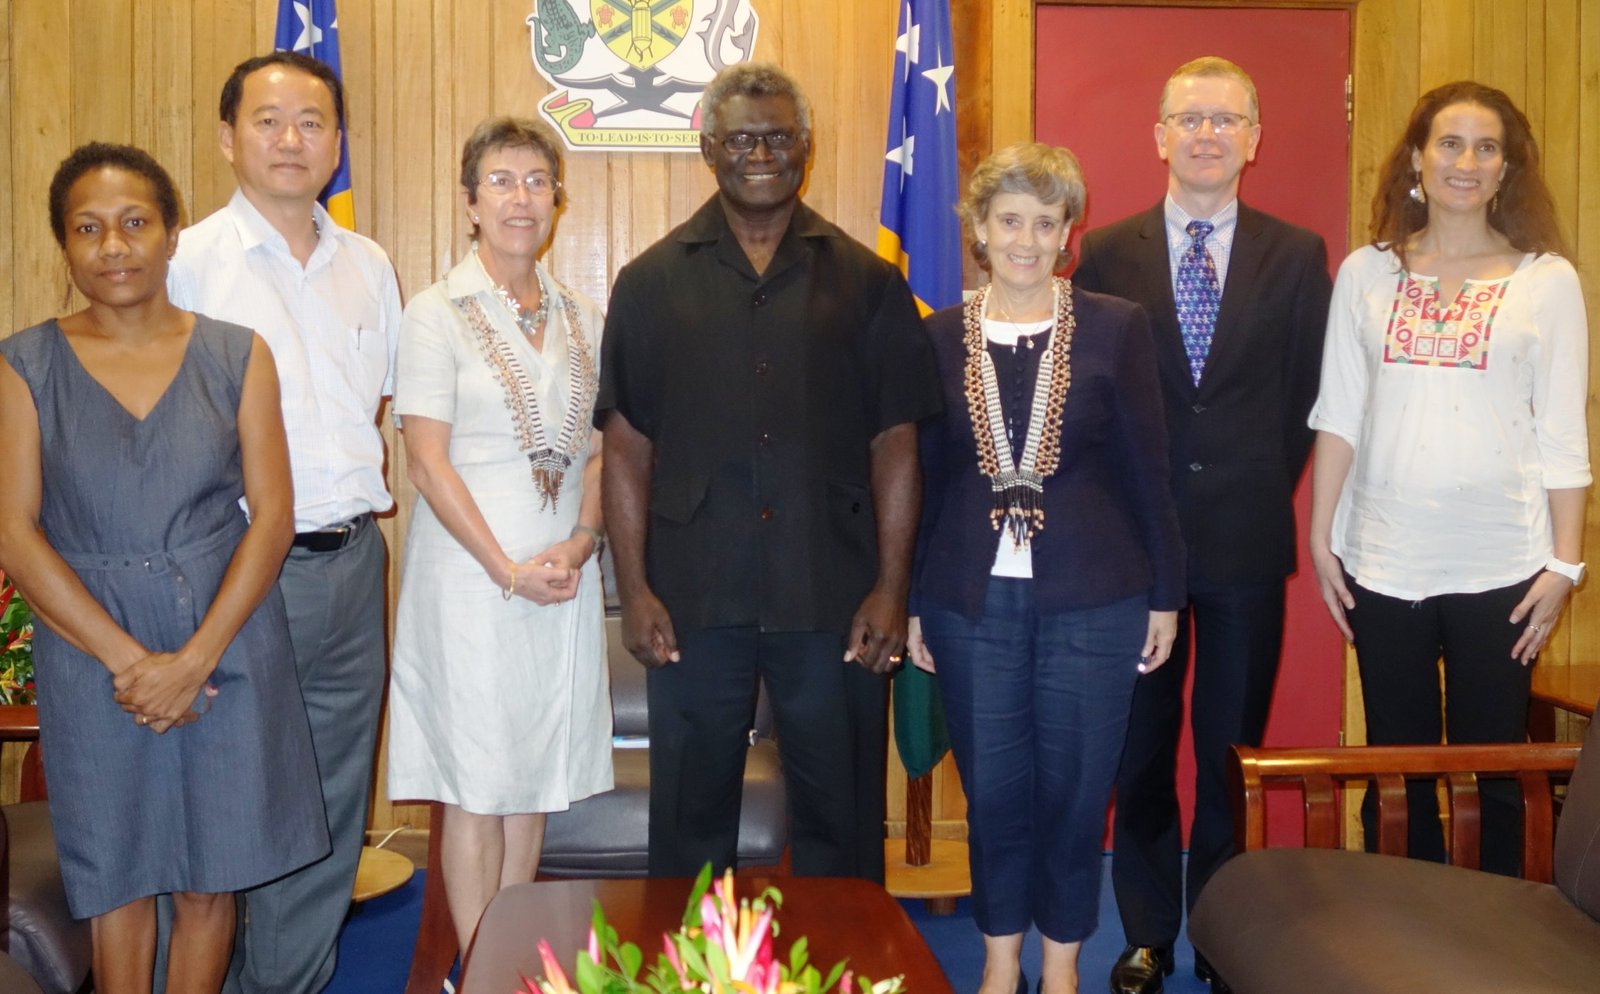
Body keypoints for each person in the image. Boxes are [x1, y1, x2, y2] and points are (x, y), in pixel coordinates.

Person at [598, 62, 940, 882]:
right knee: (690, 821)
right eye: (743, 137)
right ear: (709, 148)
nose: (762, 153)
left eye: (779, 137)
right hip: (693, 597)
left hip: (833, 595)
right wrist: (636, 588)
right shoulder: (649, 284)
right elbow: (626, 446)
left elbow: (897, 443)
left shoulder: (868, 282)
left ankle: (843, 969)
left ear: (806, 148)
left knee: (842, 819)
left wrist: (893, 590)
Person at [0, 143, 327, 994]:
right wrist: (130, 664)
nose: (115, 245)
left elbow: (274, 517)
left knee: (209, 879)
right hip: (89, 648)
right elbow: (14, 532)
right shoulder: (22, 364)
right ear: (64, 247)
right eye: (89, 228)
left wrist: (192, 661)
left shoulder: (236, 353)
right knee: (120, 879)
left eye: (136, 222)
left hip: (225, 641)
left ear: (173, 236)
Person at [1071, 56, 1332, 994]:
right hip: (1135, 555)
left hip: (1242, 549)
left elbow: (1308, 394)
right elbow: (1093, 402)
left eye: (1228, 119)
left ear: (1254, 140)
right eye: (1191, 118)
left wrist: (1256, 486)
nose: (1209, 134)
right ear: (1160, 135)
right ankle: (1145, 932)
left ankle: (1221, 934)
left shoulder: (1299, 255)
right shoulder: (1103, 251)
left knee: (1229, 754)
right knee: (1139, 754)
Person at [907, 142, 1184, 994]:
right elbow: (920, 477)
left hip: (1096, 597)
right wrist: (916, 601)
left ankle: (1061, 966)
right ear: (979, 232)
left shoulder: (1115, 325)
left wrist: (1166, 596)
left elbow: (1149, 466)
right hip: (968, 600)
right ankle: (999, 964)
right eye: (1009, 221)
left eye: (1046, 221)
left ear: (1070, 232)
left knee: (1075, 791)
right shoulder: (937, 336)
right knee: (994, 792)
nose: (1026, 239)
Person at [1309, 81, 1588, 877]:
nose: (1467, 162)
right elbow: (1340, 412)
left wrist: (1564, 566)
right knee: (1394, 773)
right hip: (1383, 560)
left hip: (1505, 567)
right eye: (1450, 143)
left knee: (1498, 776)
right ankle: (1397, 935)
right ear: (1417, 160)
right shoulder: (1368, 273)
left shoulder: (1547, 281)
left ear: (1508, 170)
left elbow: (1563, 432)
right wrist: (1323, 537)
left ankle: (1496, 941)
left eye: (1487, 147)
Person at [167, 52, 401, 994]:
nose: (293, 138)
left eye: (312, 120)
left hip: (350, 564)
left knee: (332, 810)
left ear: (337, 143)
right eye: (269, 120)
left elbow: (372, 406)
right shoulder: (185, 266)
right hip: (233, 573)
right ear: (228, 138)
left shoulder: (369, 264)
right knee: (231, 811)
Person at [386, 116, 613, 953]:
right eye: (502, 181)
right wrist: (506, 568)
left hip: (561, 578)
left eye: (536, 180)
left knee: (534, 780)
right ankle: (475, 967)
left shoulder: (584, 315)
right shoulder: (434, 313)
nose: (521, 197)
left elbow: (600, 450)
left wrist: (583, 540)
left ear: (557, 199)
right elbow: (425, 461)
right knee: (478, 786)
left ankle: (514, 961)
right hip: (472, 584)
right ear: (470, 203)